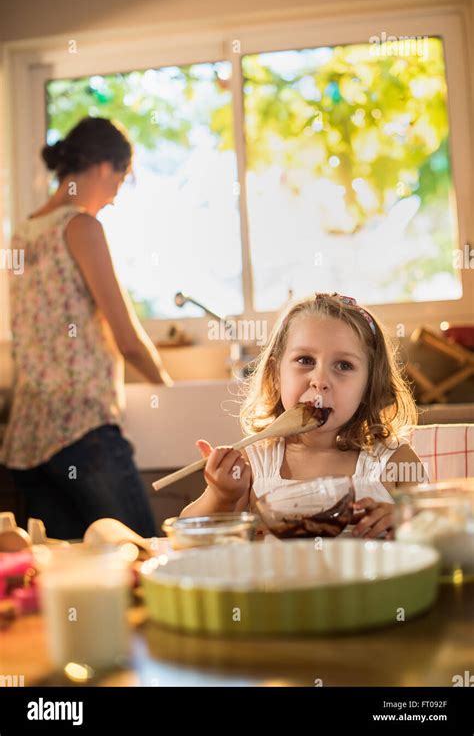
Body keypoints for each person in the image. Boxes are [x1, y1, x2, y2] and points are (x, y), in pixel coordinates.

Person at [1, 116, 173, 539]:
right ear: (101, 166)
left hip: (28, 440)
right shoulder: (82, 226)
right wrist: (167, 388)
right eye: (120, 179)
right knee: (143, 554)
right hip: (83, 430)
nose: (115, 197)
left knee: (70, 570)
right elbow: (127, 338)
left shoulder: (20, 235)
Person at [181, 292, 428, 539]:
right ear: (276, 376)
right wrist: (221, 497)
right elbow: (189, 534)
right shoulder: (253, 463)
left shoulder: (395, 460)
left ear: (368, 385)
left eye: (343, 365)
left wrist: (405, 521)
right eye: (305, 360)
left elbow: (439, 528)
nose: (319, 381)